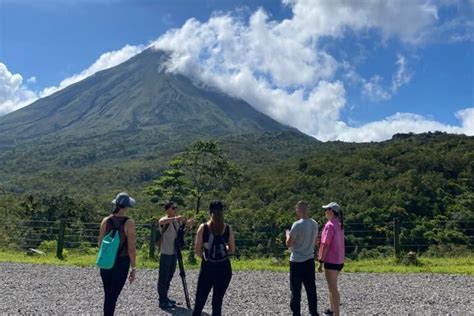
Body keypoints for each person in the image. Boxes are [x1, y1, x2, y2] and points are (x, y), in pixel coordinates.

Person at [193, 201, 235, 316]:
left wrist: (206, 257)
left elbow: (197, 251)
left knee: (200, 301)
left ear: (209, 212)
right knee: (217, 302)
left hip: (208, 267)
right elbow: (232, 250)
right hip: (224, 268)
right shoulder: (227, 228)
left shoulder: (204, 227)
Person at [98, 192, 137, 316]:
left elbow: (100, 243)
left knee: (108, 293)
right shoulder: (129, 223)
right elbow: (131, 248)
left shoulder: (106, 220)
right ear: (126, 207)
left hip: (106, 262)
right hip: (121, 261)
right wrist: (134, 267)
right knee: (113, 295)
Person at [157, 201, 194, 309]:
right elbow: (161, 221)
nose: (175, 210)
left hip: (174, 253)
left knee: (169, 275)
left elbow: (180, 235)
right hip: (165, 252)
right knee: (163, 277)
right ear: (168, 209)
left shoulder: (176, 222)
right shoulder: (165, 220)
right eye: (173, 208)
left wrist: (187, 227)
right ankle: (162, 300)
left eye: (176, 208)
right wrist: (176, 218)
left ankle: (165, 297)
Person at [286, 200, 319, 316]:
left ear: (299, 210)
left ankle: (296, 312)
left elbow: (289, 243)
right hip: (309, 259)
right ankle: (313, 311)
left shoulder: (297, 224)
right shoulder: (314, 223)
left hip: (296, 260)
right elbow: (315, 242)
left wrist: (287, 236)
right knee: (311, 288)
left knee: (296, 289)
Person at [318, 202, 345, 316]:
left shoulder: (329, 225)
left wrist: (320, 260)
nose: (325, 212)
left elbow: (325, 244)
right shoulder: (339, 224)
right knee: (332, 285)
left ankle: (336, 313)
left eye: (326, 209)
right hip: (339, 260)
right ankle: (332, 309)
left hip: (331, 260)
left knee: (333, 287)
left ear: (331, 211)